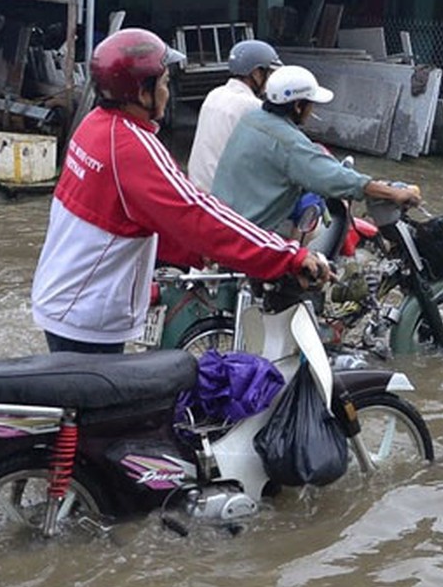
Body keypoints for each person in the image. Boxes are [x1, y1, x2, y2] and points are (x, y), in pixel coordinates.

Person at [31, 28, 330, 354]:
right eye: (163, 84)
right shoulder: (132, 147)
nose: (167, 92)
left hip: (65, 297)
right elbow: (199, 214)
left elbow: (132, 217)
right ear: (142, 93)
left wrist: (197, 254)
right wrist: (289, 256)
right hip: (87, 314)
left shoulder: (95, 126)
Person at [209, 64, 421, 236]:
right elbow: (336, 178)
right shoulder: (289, 142)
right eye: (311, 105)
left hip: (221, 223)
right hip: (249, 237)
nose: (312, 111)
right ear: (298, 105)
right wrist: (394, 193)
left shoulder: (251, 120)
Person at [187, 39, 283, 191]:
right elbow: (276, 154)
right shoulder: (253, 106)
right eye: (270, 73)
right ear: (257, 73)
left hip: (198, 187)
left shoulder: (215, 94)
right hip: (227, 198)